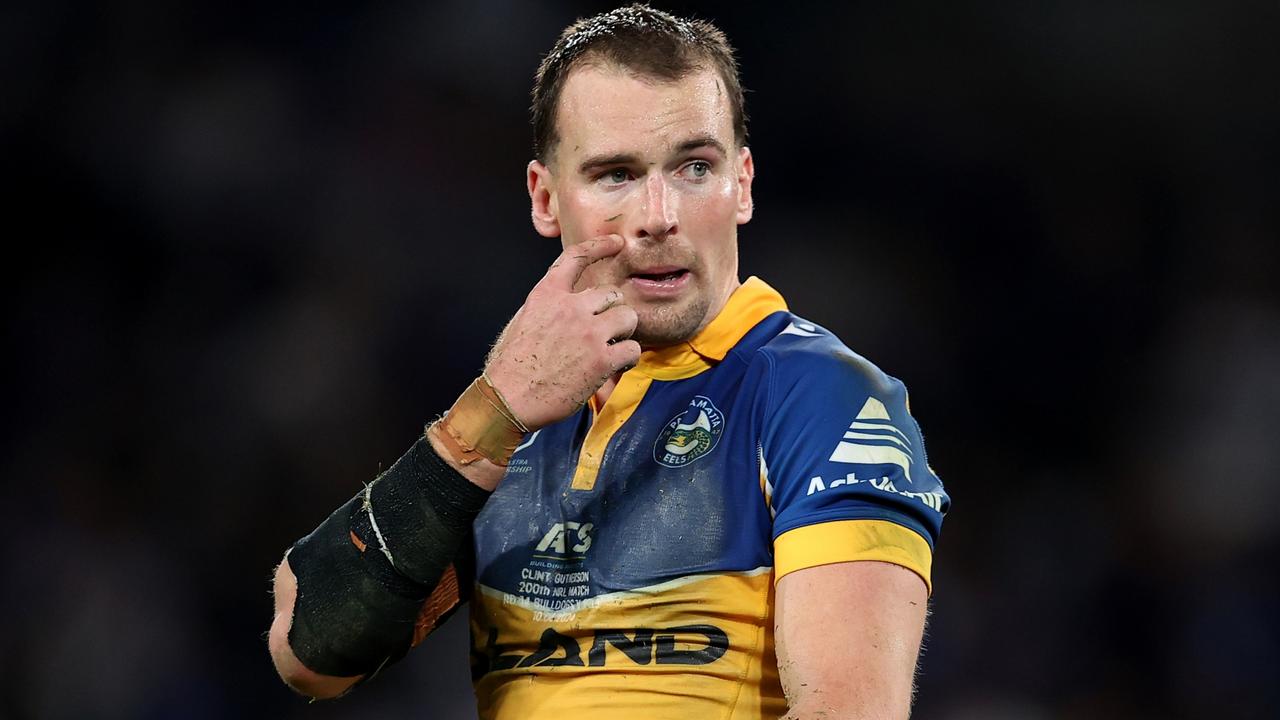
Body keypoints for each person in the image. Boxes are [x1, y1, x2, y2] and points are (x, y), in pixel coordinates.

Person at [267, 5, 950, 718]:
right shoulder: (513, 429)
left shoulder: (822, 397)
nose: (659, 215)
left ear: (742, 184)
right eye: (617, 174)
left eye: (694, 167)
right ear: (545, 198)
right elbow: (309, 652)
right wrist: (494, 408)